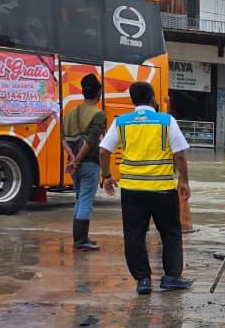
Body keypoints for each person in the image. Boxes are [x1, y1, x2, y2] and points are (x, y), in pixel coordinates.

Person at [98, 81, 193, 294]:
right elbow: (179, 154)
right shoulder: (166, 121)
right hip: (163, 190)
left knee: (134, 235)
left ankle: (143, 280)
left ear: (133, 100)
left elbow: (103, 151)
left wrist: (106, 176)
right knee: (170, 233)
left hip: (132, 191)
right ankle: (170, 277)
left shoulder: (122, 122)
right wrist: (184, 180)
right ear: (153, 99)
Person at [63, 73, 106, 252]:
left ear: (83, 92)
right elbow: (92, 141)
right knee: (86, 200)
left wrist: (72, 159)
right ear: (99, 94)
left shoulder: (70, 113)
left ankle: (81, 238)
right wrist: (79, 160)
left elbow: (62, 138)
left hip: (74, 164)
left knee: (80, 199)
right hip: (89, 163)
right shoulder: (98, 114)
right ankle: (80, 241)